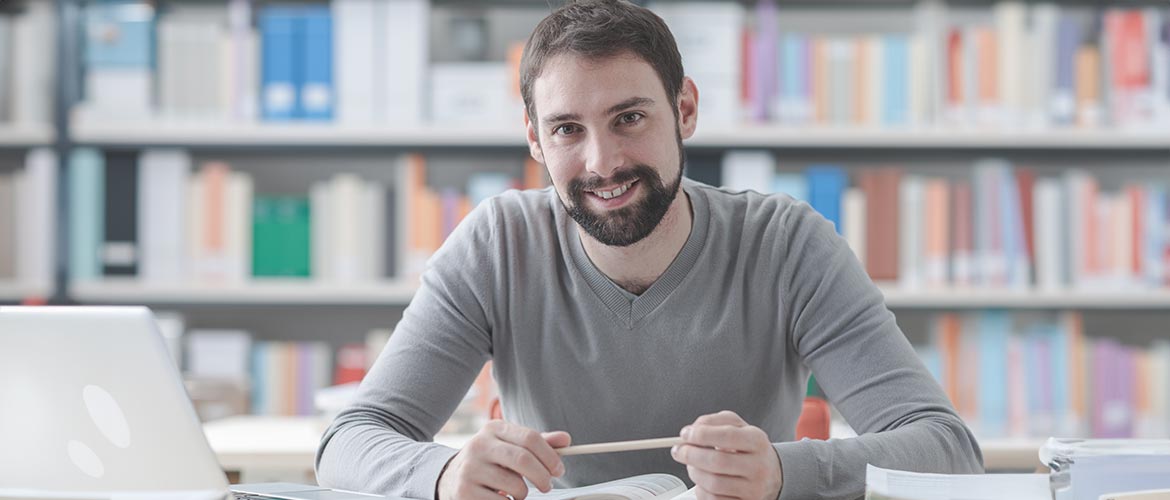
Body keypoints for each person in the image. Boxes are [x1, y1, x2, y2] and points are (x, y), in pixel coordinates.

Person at [315, 1, 983, 499]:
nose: (603, 162)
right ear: (534, 140)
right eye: (568, 129)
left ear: (685, 110)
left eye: (629, 118)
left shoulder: (788, 245)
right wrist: (441, 472)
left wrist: (784, 471)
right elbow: (348, 439)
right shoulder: (496, 245)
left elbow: (947, 449)